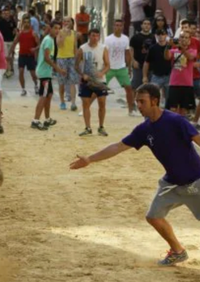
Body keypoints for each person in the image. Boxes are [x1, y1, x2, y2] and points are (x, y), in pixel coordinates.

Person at [70, 83, 200, 266]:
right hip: (171, 184)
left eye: (142, 101)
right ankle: (178, 251)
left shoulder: (176, 121)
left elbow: (198, 139)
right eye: (137, 101)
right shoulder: (144, 129)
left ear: (155, 101)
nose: (138, 105)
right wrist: (90, 159)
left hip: (195, 182)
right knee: (153, 216)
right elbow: (118, 146)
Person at [74, 28, 110, 136]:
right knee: (85, 104)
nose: (95, 38)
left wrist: (102, 73)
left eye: (97, 36)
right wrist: (82, 74)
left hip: (100, 80)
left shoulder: (103, 48)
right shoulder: (82, 49)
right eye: (93, 35)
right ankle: (87, 127)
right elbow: (76, 65)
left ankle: (101, 126)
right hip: (86, 80)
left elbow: (108, 65)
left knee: (102, 103)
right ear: (89, 36)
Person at [31, 21, 66, 131]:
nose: (57, 30)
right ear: (50, 28)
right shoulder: (48, 40)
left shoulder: (51, 40)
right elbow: (47, 58)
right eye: (55, 28)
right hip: (44, 73)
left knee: (49, 95)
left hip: (47, 72)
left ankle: (47, 118)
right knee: (43, 96)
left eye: (58, 28)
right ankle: (36, 120)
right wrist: (58, 69)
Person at [105, 19, 135, 116]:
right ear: (113, 26)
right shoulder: (108, 39)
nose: (118, 27)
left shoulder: (125, 39)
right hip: (110, 67)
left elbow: (127, 53)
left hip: (121, 67)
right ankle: (87, 107)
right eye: (116, 25)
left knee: (128, 88)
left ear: (122, 27)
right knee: (99, 87)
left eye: (120, 25)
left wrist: (129, 67)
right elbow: (105, 53)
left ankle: (131, 110)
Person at [164, 30, 197, 116]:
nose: (184, 39)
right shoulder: (173, 50)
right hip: (174, 83)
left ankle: (180, 128)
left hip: (187, 84)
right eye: (182, 37)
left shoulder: (193, 50)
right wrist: (168, 46)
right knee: (172, 109)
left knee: (183, 111)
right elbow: (166, 57)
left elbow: (190, 57)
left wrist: (181, 48)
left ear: (189, 40)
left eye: (186, 37)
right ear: (179, 38)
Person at [10, 16, 39, 96]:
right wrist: (9, 53)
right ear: (22, 23)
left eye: (28, 22)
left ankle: (36, 85)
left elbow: (39, 45)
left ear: (30, 24)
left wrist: (35, 49)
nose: (26, 24)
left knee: (33, 74)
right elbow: (14, 43)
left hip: (30, 56)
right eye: (25, 22)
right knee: (21, 71)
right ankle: (23, 89)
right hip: (22, 55)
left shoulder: (33, 33)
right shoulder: (20, 34)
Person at [143, 29, 172, 105]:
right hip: (156, 75)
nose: (161, 36)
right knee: (152, 96)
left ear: (166, 36)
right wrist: (145, 76)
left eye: (162, 34)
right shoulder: (153, 48)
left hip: (168, 75)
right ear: (156, 36)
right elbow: (147, 62)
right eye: (159, 34)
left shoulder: (171, 47)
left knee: (169, 98)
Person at [56, 17, 79, 112]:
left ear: (71, 23)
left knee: (72, 81)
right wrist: (64, 35)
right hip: (61, 59)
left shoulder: (74, 33)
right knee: (62, 82)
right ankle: (62, 101)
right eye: (64, 21)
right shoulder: (60, 32)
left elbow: (75, 47)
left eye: (68, 21)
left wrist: (77, 59)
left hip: (72, 58)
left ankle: (73, 103)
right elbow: (59, 45)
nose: (66, 23)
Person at [129, 19, 155, 94]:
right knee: (135, 85)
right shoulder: (135, 37)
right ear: (141, 25)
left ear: (150, 26)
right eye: (145, 24)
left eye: (148, 24)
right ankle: (133, 103)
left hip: (150, 66)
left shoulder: (153, 37)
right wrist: (133, 61)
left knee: (150, 86)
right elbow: (131, 50)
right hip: (138, 64)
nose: (146, 25)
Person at [0, 7, 16, 78]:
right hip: (3, 40)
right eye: (4, 13)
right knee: (6, 56)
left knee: (10, 56)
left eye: (7, 13)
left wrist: (15, 32)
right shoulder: (0, 20)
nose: (6, 15)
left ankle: (10, 68)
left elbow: (14, 28)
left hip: (11, 40)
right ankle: (8, 70)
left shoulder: (12, 20)